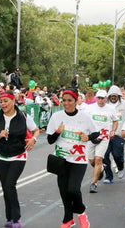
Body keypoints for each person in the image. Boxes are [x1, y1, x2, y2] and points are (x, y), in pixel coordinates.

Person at [46, 88, 99, 228]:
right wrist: (58, 132)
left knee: (73, 189)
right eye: (64, 100)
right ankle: (68, 219)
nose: (66, 103)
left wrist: (87, 137)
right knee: (64, 192)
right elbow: (50, 140)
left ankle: (81, 213)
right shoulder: (56, 117)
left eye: (70, 100)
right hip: (61, 159)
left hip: (78, 159)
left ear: (76, 101)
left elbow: (96, 133)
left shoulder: (84, 117)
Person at [0, 90, 40, 228]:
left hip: (18, 155)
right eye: (1, 101)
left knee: (10, 185)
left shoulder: (23, 116)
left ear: (13, 101)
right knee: (6, 187)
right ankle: (9, 217)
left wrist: (33, 139)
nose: (3, 104)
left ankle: (16, 218)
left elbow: (36, 130)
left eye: (6, 101)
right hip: (1, 156)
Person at [84, 90, 118, 192]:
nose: (100, 100)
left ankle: (93, 184)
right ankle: (101, 169)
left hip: (104, 136)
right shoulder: (89, 108)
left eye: (102, 98)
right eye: (98, 98)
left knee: (98, 159)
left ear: (106, 98)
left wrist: (113, 130)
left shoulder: (111, 109)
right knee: (91, 160)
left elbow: (115, 121)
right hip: (91, 136)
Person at [103, 85, 125, 183]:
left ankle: (120, 167)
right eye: (112, 96)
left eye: (115, 96)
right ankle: (108, 176)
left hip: (119, 135)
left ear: (119, 96)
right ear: (109, 96)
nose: (113, 98)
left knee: (117, 155)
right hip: (105, 135)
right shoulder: (104, 105)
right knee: (105, 155)